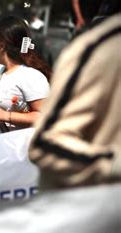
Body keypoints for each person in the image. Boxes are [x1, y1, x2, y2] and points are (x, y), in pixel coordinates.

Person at [29, 14, 120, 190]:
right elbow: (46, 142)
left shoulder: (32, 76)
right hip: (97, 208)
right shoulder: (98, 51)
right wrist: (114, 165)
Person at [0, 16, 51, 131]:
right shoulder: (1, 72)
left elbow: (45, 117)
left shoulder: (31, 76)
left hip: (21, 147)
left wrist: (6, 116)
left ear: (1, 46)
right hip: (0, 146)